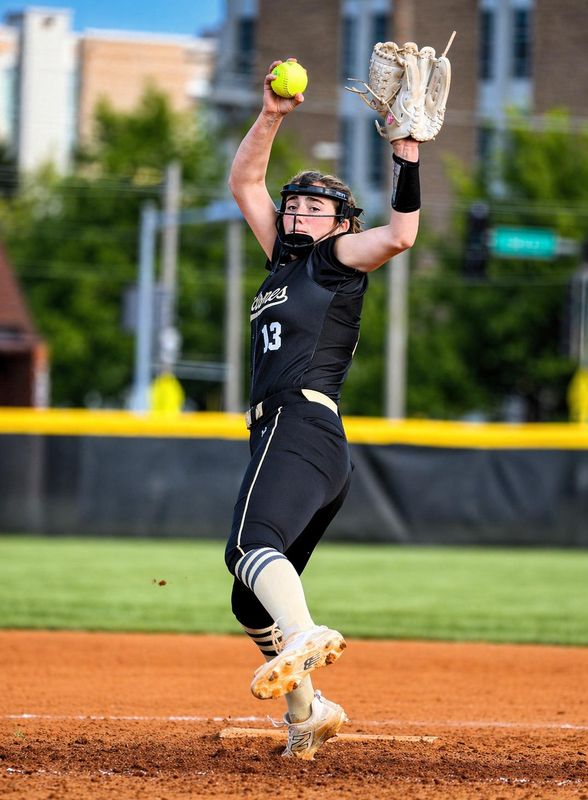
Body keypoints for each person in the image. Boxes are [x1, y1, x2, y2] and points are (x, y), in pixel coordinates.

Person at [224, 58, 420, 760]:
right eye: (295, 203)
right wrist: (273, 115)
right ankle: (307, 712)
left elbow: (400, 235)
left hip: (299, 423)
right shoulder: (282, 260)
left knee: (248, 549)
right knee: (252, 602)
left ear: (340, 222)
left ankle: (306, 637)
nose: (299, 209)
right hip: (297, 438)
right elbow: (245, 180)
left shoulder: (337, 258)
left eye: (316, 206)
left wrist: (406, 157)